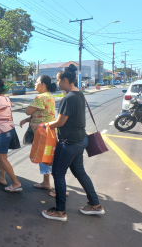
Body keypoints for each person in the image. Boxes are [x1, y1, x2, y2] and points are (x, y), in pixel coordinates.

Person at [41, 64, 105, 221]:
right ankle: (95, 205)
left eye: (58, 81)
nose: (57, 84)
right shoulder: (79, 94)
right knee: (79, 172)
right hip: (80, 140)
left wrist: (43, 125)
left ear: (64, 79)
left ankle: (60, 211)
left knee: (58, 173)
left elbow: (60, 122)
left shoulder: (68, 98)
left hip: (68, 143)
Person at [19, 75, 58, 193]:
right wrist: (27, 120)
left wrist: (28, 116)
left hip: (42, 133)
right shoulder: (49, 96)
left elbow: (28, 111)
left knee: (47, 158)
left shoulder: (40, 97)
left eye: (37, 82)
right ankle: (46, 182)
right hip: (47, 131)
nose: (35, 84)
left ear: (43, 84)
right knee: (45, 157)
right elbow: (42, 113)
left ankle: (57, 186)